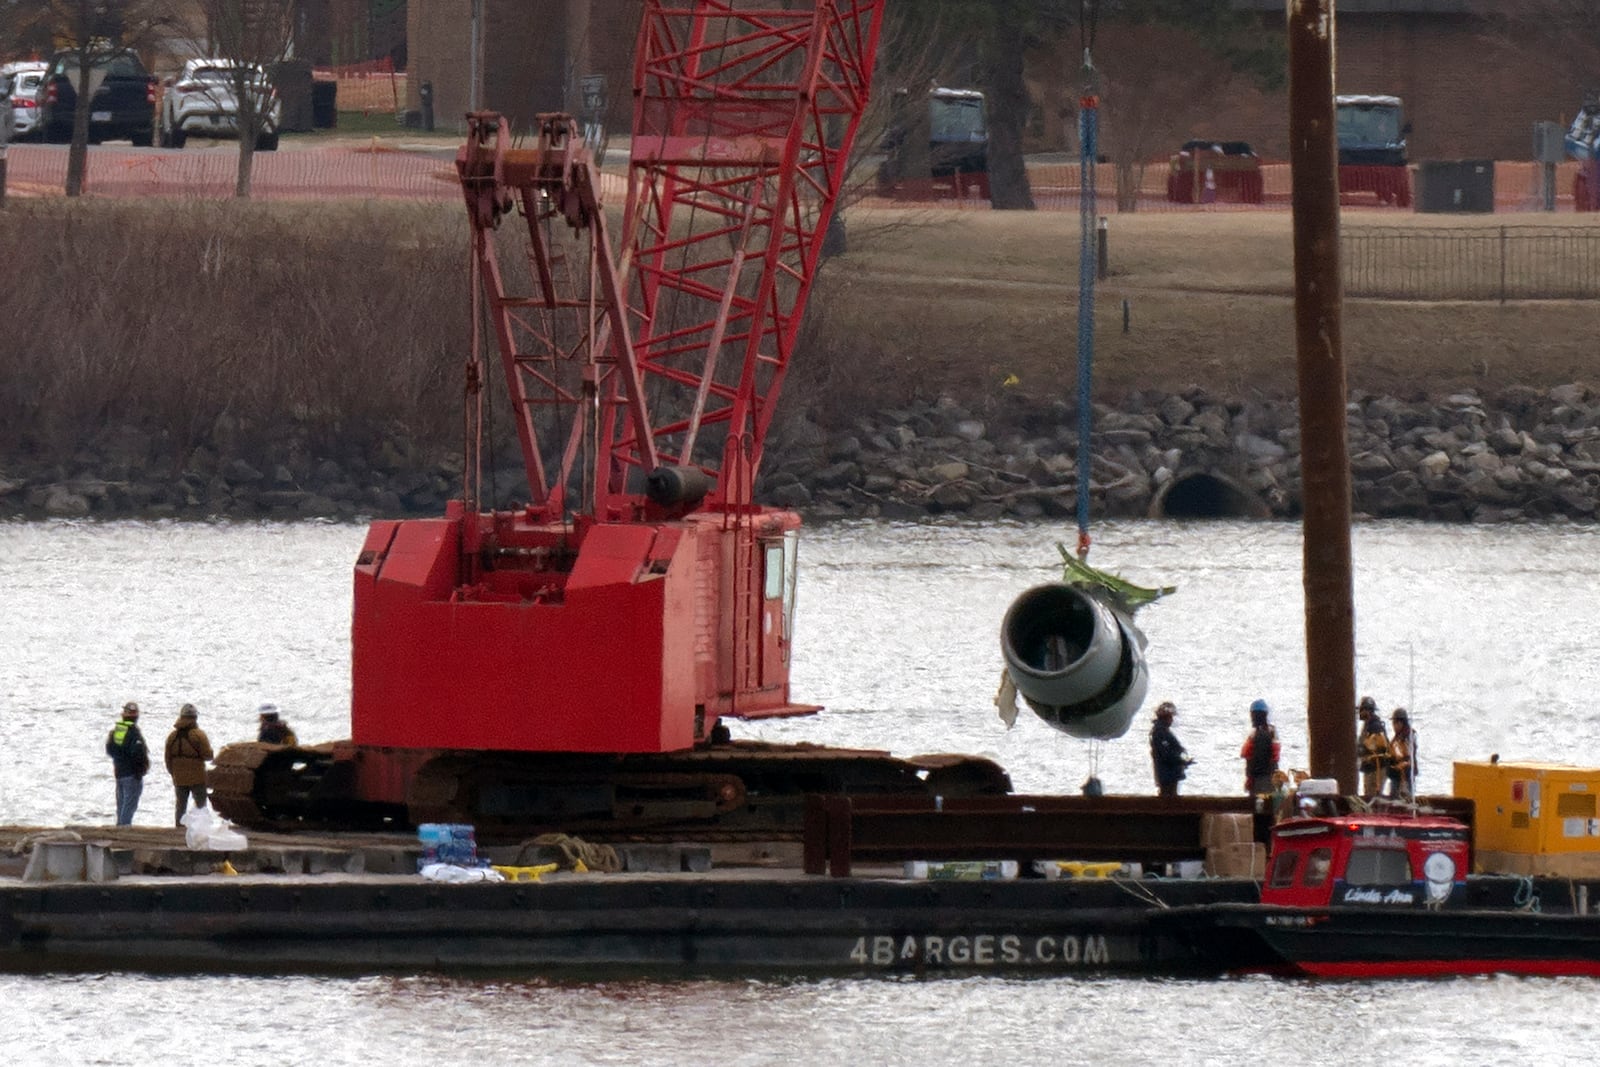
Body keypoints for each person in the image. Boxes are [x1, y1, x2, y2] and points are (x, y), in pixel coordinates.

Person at [164, 703, 214, 827]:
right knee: (200, 805)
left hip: (179, 777)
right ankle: (201, 827)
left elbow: (167, 759)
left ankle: (179, 828)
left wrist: (173, 773)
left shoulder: (172, 736)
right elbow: (208, 756)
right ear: (195, 718)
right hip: (197, 777)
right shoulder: (199, 735)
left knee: (180, 805)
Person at [105, 701, 150, 826]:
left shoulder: (118, 730)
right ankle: (124, 830)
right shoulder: (133, 733)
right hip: (132, 774)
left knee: (121, 805)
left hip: (119, 772)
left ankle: (120, 826)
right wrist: (141, 770)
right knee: (129, 805)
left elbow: (110, 750)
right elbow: (138, 753)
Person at [1149, 700, 1191, 799]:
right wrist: (1181, 759)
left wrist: (1185, 758)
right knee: (1168, 797)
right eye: (1170, 717)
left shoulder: (1164, 731)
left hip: (1170, 774)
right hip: (1167, 774)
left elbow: (1176, 749)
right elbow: (1166, 754)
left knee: (1172, 796)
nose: (1172, 720)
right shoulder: (1160, 732)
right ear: (1165, 717)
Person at [1239, 698, 1280, 797]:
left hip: (1261, 780)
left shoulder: (1260, 735)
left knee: (1261, 808)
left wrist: (1251, 778)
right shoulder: (1270, 732)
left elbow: (1259, 760)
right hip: (1269, 778)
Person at [1357, 696, 1391, 799]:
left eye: (1362, 710)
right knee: (1369, 793)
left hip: (1377, 768)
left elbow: (1376, 746)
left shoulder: (1375, 727)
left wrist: (1361, 749)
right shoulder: (1368, 726)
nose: (1360, 713)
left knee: (1373, 796)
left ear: (1367, 711)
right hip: (1370, 767)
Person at [1387, 707, 1417, 800]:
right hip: (1396, 774)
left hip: (1404, 775)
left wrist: (1398, 766)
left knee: (1404, 798)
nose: (1393, 726)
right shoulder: (1397, 737)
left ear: (1401, 723)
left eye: (1394, 723)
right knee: (1394, 797)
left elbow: (1406, 755)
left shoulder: (1408, 737)